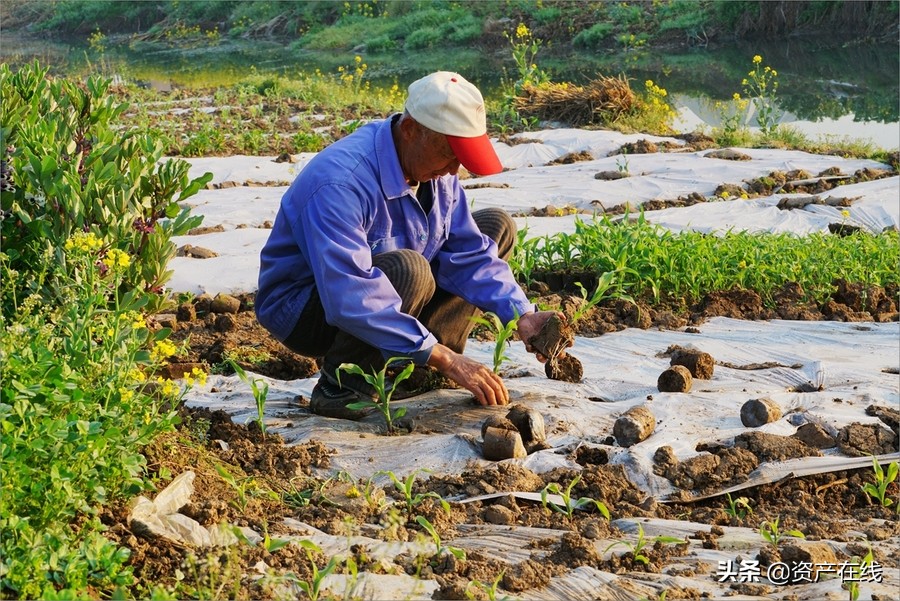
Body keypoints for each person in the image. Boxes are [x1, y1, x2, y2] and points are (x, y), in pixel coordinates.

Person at [255, 71, 563, 419]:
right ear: (411, 130)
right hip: (308, 307)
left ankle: (419, 370)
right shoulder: (340, 183)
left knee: (496, 227)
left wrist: (523, 315)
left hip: (378, 287)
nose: (454, 169)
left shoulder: (435, 171)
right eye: (449, 153)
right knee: (409, 269)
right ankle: (342, 385)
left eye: (462, 158)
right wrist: (448, 359)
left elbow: (468, 254)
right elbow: (347, 294)